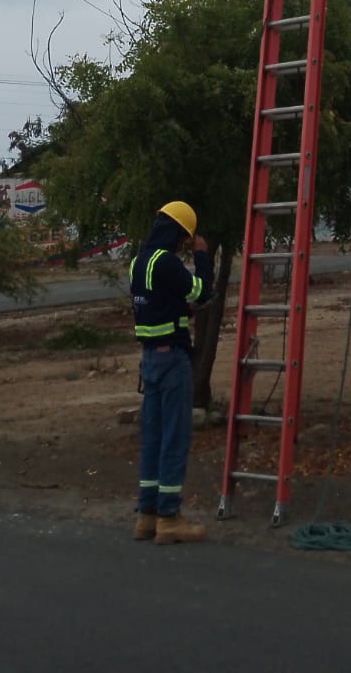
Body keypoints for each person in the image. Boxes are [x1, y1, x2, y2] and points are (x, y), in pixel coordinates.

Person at [129, 199, 213, 543]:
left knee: (152, 437)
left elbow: (162, 301)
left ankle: (146, 516)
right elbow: (201, 292)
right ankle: (169, 518)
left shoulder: (139, 263)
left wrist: (180, 306)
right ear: (180, 234)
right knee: (174, 438)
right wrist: (202, 257)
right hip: (172, 360)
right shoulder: (166, 262)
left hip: (149, 360)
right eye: (184, 239)